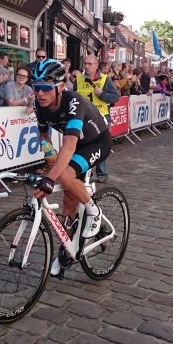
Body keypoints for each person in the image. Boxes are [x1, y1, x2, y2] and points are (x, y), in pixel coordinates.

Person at [28, 59, 111, 276]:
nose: (40, 94)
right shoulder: (40, 106)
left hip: (97, 142)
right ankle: (68, 249)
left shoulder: (74, 102)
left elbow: (70, 143)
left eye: (46, 88)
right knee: (67, 205)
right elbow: (44, 136)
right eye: (36, 88)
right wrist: (49, 157)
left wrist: (49, 178)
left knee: (63, 176)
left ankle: (94, 212)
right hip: (75, 147)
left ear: (61, 86)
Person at [75, 54, 119, 183]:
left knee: (101, 145)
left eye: (90, 64)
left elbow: (115, 97)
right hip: (84, 117)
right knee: (82, 145)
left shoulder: (105, 80)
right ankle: (83, 172)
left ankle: (102, 173)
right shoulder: (78, 80)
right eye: (85, 64)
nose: (87, 66)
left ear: (96, 65)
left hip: (101, 117)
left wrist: (102, 94)